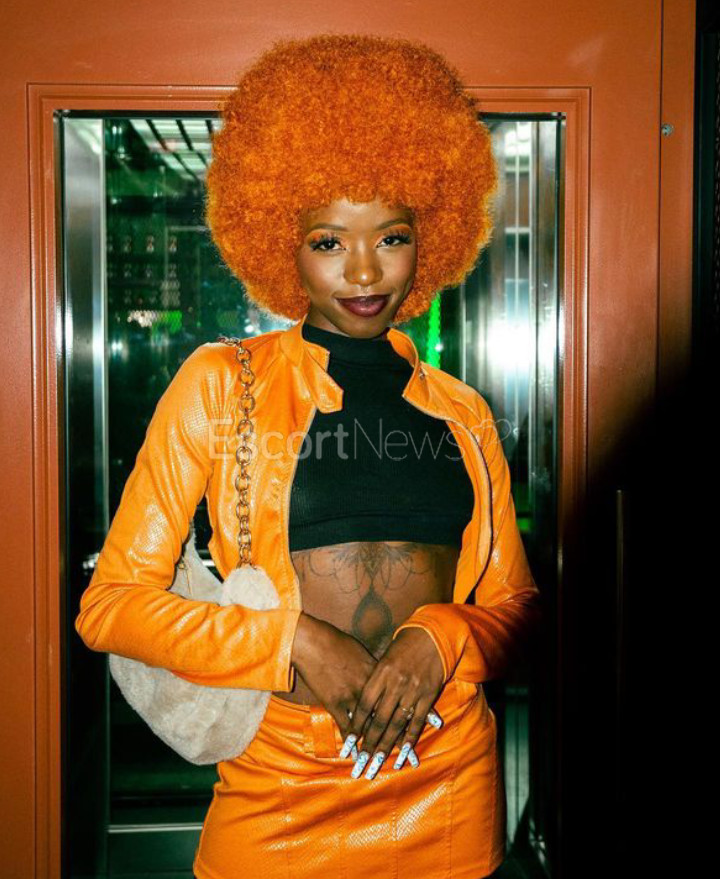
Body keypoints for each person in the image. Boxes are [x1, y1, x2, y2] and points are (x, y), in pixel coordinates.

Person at [75, 33, 541, 879]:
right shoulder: (222, 384)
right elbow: (110, 606)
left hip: (446, 789)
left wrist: (443, 637)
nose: (363, 271)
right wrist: (292, 642)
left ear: (430, 236)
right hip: (278, 794)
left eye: (391, 236)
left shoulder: (465, 413)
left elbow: (519, 608)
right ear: (281, 240)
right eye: (329, 241)